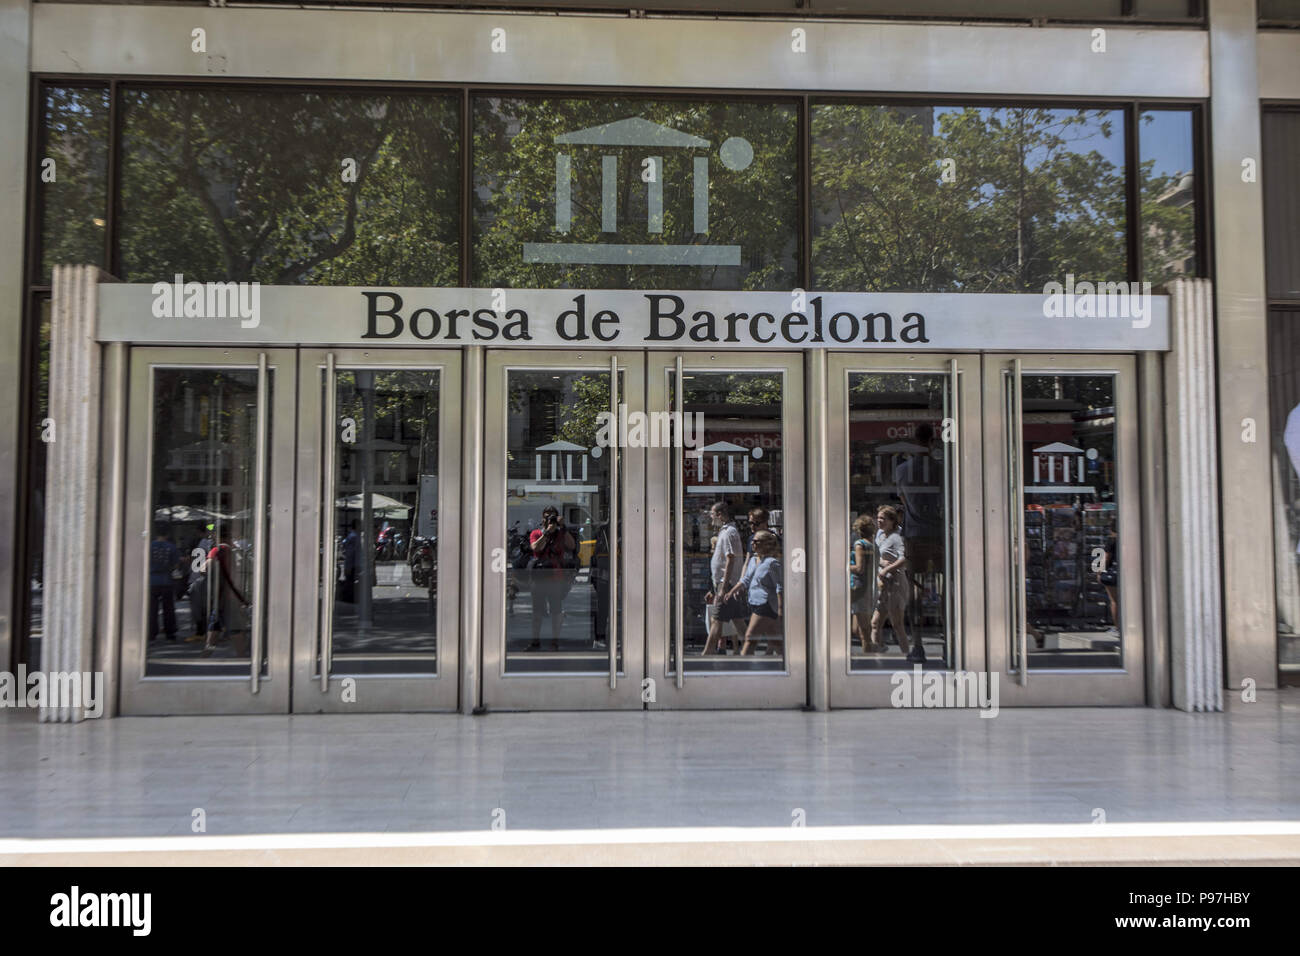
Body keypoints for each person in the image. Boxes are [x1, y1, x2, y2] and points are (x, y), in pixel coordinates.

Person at [872, 505, 921, 662]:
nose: (879, 521)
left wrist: (888, 568)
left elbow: (904, 559)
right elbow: (877, 556)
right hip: (883, 584)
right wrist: (881, 562)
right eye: (878, 517)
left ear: (892, 521)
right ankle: (876, 658)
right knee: (875, 624)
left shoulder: (898, 537)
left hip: (895, 584)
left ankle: (907, 655)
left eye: (883, 518)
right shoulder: (880, 536)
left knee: (897, 624)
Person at [729, 530, 784, 657]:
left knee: (750, 638)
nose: (752, 543)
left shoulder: (772, 563)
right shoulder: (754, 560)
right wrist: (732, 591)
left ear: (766, 544)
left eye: (756, 541)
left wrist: (780, 610)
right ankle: (787, 663)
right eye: (752, 541)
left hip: (765, 604)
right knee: (775, 640)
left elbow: (779, 587)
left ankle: (743, 669)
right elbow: (746, 579)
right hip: (754, 603)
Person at [529, 505, 575, 651]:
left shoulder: (561, 534)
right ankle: (535, 641)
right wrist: (546, 533)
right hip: (539, 578)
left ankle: (554, 642)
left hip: (556, 578)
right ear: (542, 518)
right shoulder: (536, 532)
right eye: (547, 516)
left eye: (552, 516)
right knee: (537, 612)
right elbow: (536, 548)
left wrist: (563, 527)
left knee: (556, 611)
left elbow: (572, 545)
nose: (549, 519)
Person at [702, 501, 745, 655]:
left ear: (720, 515)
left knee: (716, 622)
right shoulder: (725, 531)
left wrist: (723, 587)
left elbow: (730, 559)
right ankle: (749, 649)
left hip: (725, 584)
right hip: (723, 584)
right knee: (737, 622)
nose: (711, 518)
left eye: (712, 515)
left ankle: (706, 654)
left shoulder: (728, 533)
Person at [201, 530, 251, 658]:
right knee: (217, 625)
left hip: (222, 595)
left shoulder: (217, 550)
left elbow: (204, 568)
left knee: (225, 626)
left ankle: (208, 654)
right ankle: (239, 654)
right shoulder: (236, 551)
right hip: (233, 594)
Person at [849, 513, 882, 654]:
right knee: (858, 629)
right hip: (869, 588)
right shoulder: (874, 545)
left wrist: (843, 565)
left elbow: (859, 568)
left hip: (859, 588)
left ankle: (869, 657)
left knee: (864, 632)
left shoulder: (859, 545)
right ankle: (872, 649)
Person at [148, 529, 180, 642]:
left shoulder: (149, 546)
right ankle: (170, 632)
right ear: (167, 534)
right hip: (166, 580)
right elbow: (176, 565)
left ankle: (151, 633)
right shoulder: (171, 547)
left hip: (151, 580)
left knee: (152, 609)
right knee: (168, 608)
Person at [340, 520, 359, 604]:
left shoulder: (351, 536)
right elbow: (351, 553)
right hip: (352, 564)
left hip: (351, 563)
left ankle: (348, 597)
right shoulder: (354, 537)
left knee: (350, 581)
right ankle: (348, 598)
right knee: (350, 582)